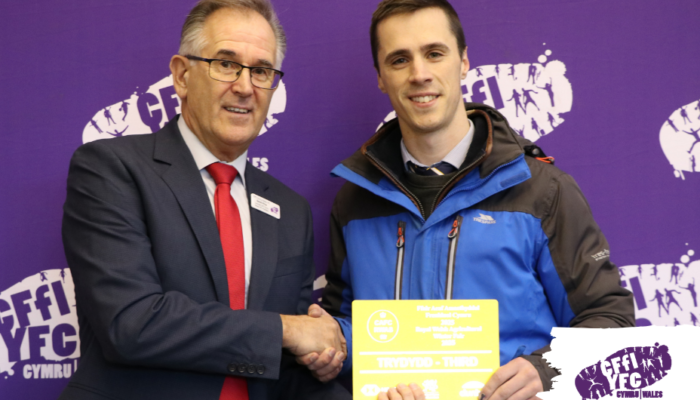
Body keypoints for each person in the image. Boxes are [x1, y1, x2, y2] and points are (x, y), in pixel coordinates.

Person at [315, 0, 635, 399]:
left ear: (464, 61)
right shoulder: (354, 201)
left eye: (435, 53)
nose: (419, 74)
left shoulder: (542, 191)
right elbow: (349, 330)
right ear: (381, 77)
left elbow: (611, 320)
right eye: (399, 60)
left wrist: (548, 370)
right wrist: (331, 345)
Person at [60, 1, 349, 399]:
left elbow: (282, 365)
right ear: (182, 75)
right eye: (226, 64)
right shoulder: (111, 169)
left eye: (261, 71)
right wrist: (287, 329)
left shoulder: (291, 210)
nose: (245, 87)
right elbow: (131, 323)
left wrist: (317, 357)